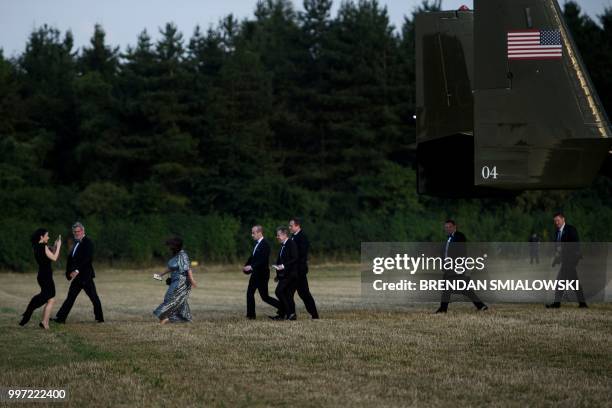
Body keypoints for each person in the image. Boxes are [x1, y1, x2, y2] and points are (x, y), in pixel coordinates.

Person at [53, 222, 104, 323]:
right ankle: (60, 318)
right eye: (74, 232)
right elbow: (71, 260)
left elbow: (87, 259)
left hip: (86, 277)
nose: (76, 233)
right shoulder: (75, 243)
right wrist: (68, 273)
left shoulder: (88, 242)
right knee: (70, 297)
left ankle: (100, 318)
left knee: (94, 297)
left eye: (78, 231)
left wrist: (77, 270)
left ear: (83, 231)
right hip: (77, 278)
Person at [435, 219, 488, 313]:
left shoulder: (459, 237)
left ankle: (443, 309)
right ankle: (481, 305)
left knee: (449, 287)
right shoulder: (448, 239)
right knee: (462, 289)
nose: (447, 229)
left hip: (456, 267)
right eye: (446, 227)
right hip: (449, 267)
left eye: (449, 227)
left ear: (455, 227)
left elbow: (460, 252)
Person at [19, 229, 62, 329]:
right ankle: (44, 322)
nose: (48, 237)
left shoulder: (37, 247)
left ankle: (44, 322)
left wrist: (55, 246)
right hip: (46, 276)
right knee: (49, 298)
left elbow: (51, 256)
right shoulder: (43, 247)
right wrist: (59, 245)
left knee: (51, 299)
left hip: (42, 275)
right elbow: (55, 258)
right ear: (41, 237)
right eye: (47, 235)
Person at [546, 213, 587, 308]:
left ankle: (557, 304)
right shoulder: (557, 232)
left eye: (558, 220)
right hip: (565, 260)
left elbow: (575, 245)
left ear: (563, 219)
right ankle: (582, 303)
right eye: (555, 221)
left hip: (571, 259)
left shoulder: (571, 229)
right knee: (573, 282)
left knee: (560, 281)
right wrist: (556, 259)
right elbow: (558, 248)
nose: (556, 223)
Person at [153, 237, 197, 324]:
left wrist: (192, 280)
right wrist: (161, 275)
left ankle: (164, 316)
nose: (169, 248)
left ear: (176, 246)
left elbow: (188, 268)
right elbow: (171, 268)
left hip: (181, 280)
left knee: (170, 297)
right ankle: (183, 318)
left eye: (171, 246)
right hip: (175, 280)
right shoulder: (176, 255)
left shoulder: (183, 255)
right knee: (179, 299)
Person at [243, 225, 281, 319]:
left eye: (253, 233)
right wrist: (246, 266)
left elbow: (262, 260)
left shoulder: (265, 244)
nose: (252, 235)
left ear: (259, 233)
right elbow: (253, 257)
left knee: (261, 296)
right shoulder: (257, 244)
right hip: (256, 273)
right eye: (252, 233)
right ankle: (251, 315)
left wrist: (251, 267)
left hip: (262, 274)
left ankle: (283, 307)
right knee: (256, 294)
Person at [289, 217, 319, 319]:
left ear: (297, 225)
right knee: (288, 292)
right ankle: (289, 313)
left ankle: (314, 314)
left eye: (291, 226)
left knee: (304, 293)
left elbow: (302, 255)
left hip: (299, 271)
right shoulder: (293, 236)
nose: (289, 227)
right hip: (294, 271)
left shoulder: (302, 237)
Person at [271, 227, 298, 320]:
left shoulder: (291, 243)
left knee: (279, 292)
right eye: (277, 235)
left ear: (284, 235)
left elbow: (295, 258)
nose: (277, 237)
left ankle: (288, 312)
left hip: (290, 274)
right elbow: (280, 261)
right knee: (287, 295)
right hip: (284, 275)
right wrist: (278, 275)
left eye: (278, 235)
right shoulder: (283, 245)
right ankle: (286, 314)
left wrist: (283, 266)